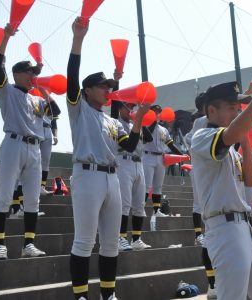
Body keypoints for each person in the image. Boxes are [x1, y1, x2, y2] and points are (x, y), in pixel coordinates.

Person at [67, 17, 149, 300]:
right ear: (87, 90)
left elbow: (129, 146)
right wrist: (78, 40)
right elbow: (72, 76)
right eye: (101, 86)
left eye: (107, 86)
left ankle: (107, 294)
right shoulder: (78, 109)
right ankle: (80, 295)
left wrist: (138, 119)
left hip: (112, 177)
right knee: (84, 241)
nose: (106, 89)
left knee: (111, 244)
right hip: (87, 174)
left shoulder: (111, 122)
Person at [191, 78, 252, 299]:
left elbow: (251, 181)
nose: (236, 113)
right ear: (212, 110)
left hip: (244, 227)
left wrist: (245, 142)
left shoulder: (232, 146)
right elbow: (229, 135)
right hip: (223, 229)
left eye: (238, 108)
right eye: (232, 108)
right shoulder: (202, 136)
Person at [0, 24, 50, 261]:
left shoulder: (35, 99)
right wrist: (5, 38)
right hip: (13, 144)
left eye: (34, 73)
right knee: (4, 196)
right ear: (17, 74)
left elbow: (53, 111)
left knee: (33, 199)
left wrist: (44, 89)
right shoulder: (7, 90)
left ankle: (29, 244)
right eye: (30, 73)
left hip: (34, 148)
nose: (33, 76)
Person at [183, 92, 217, 299]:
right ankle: (213, 284)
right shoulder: (201, 122)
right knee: (205, 214)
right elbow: (190, 140)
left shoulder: (211, 122)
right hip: (204, 171)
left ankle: (215, 283)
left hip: (219, 172)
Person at [116, 100, 153, 252]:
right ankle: (120, 238)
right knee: (124, 204)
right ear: (119, 108)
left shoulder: (134, 125)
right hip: (123, 161)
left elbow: (149, 138)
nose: (130, 109)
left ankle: (136, 239)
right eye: (127, 107)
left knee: (139, 204)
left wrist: (140, 118)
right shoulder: (116, 122)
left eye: (132, 107)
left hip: (139, 163)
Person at [143, 105, 183, 218]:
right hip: (147, 157)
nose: (157, 114)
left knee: (158, 186)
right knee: (146, 186)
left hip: (160, 158)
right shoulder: (145, 126)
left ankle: (156, 211)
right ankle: (141, 208)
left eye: (159, 112)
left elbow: (170, 144)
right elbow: (147, 137)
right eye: (155, 112)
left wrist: (181, 155)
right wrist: (154, 122)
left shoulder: (164, 129)